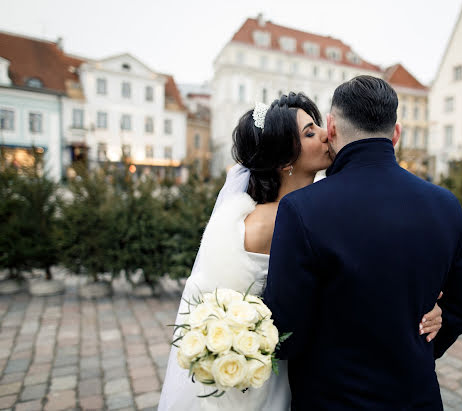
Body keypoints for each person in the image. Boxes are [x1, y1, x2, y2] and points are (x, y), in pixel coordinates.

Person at [158, 92, 444, 410]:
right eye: (310, 133)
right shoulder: (275, 220)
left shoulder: (299, 209)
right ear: (285, 160)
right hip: (273, 370)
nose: (326, 134)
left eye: (319, 125)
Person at [263, 77, 462, 410]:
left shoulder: (302, 209)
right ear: (396, 133)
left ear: (331, 127)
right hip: (416, 398)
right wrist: (419, 347)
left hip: (331, 400)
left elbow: (285, 334)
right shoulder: (445, 204)